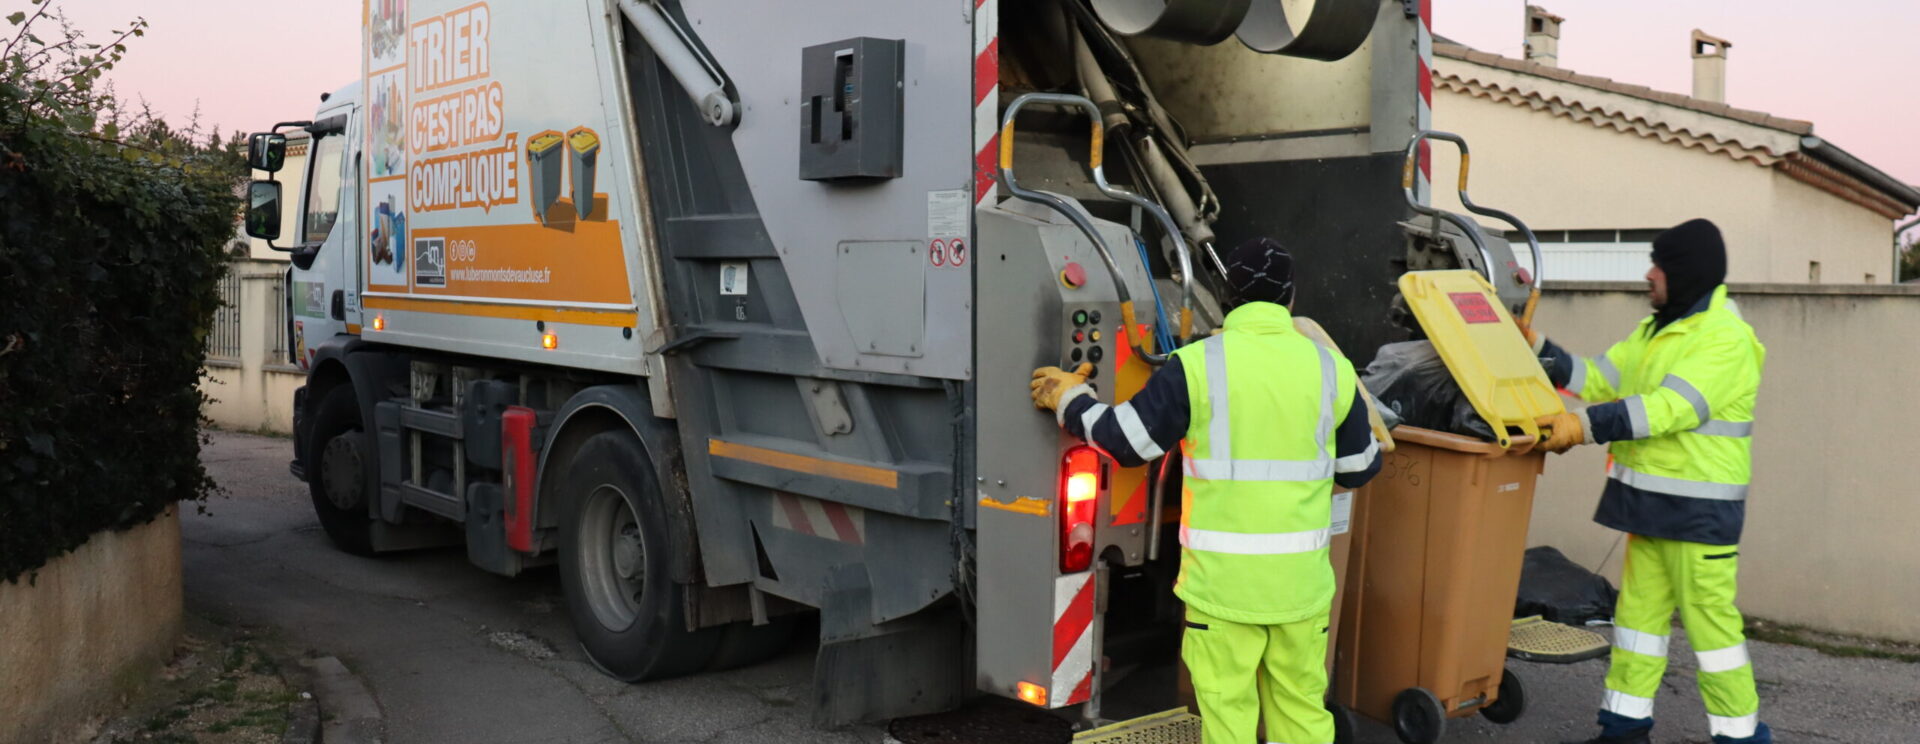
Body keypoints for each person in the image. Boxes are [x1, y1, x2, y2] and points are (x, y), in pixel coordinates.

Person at [1029, 237, 1383, 744]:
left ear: (1227, 295)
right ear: (1291, 297)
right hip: (1301, 593)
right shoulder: (1331, 368)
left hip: (1223, 594)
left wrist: (1070, 398)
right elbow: (1359, 470)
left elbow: (1127, 443)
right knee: (1302, 715)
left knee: (1227, 719)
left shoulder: (1196, 366)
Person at [1528, 219, 1771, 744]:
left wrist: (1584, 426)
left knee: (1713, 638)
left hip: (1698, 518)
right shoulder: (1655, 331)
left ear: (1684, 271)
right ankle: (1622, 730)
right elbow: (1594, 377)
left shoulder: (1724, 337)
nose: (1648, 274)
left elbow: (1669, 409)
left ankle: (1743, 738)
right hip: (1648, 508)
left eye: (1657, 264)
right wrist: (1532, 344)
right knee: (1637, 629)